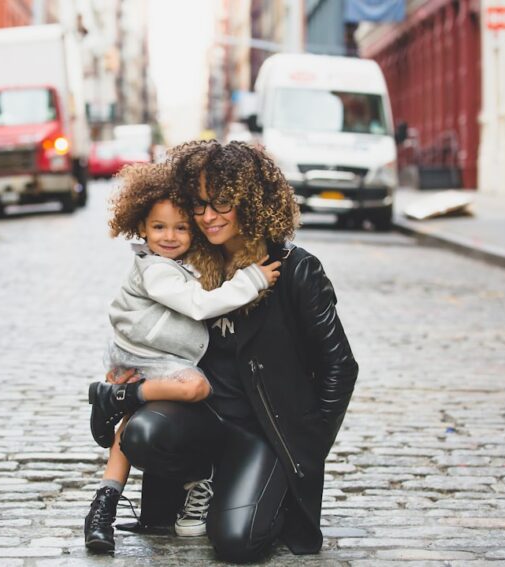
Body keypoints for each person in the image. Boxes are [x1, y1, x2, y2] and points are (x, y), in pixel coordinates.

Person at [117, 140, 359, 562]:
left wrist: (306, 447)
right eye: (200, 204)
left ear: (251, 201)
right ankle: (204, 481)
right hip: (203, 419)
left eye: (222, 203)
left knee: (235, 543)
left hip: (263, 432)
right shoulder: (189, 263)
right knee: (142, 435)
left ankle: (264, 490)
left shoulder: (295, 269)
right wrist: (125, 370)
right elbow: (142, 323)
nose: (208, 216)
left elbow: (340, 365)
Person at [84, 161, 281, 553]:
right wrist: (253, 280)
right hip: (150, 355)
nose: (170, 236)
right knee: (195, 386)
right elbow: (198, 305)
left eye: (181, 227)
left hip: (147, 353)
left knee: (130, 422)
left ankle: (102, 504)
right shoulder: (155, 270)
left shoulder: (177, 263)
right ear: (141, 227)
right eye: (159, 228)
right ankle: (124, 400)